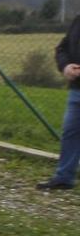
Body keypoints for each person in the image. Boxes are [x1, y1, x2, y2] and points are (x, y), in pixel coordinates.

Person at [36, 13, 80, 190]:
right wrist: (66, 66)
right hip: (77, 90)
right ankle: (64, 177)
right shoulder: (78, 20)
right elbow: (62, 48)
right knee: (71, 133)